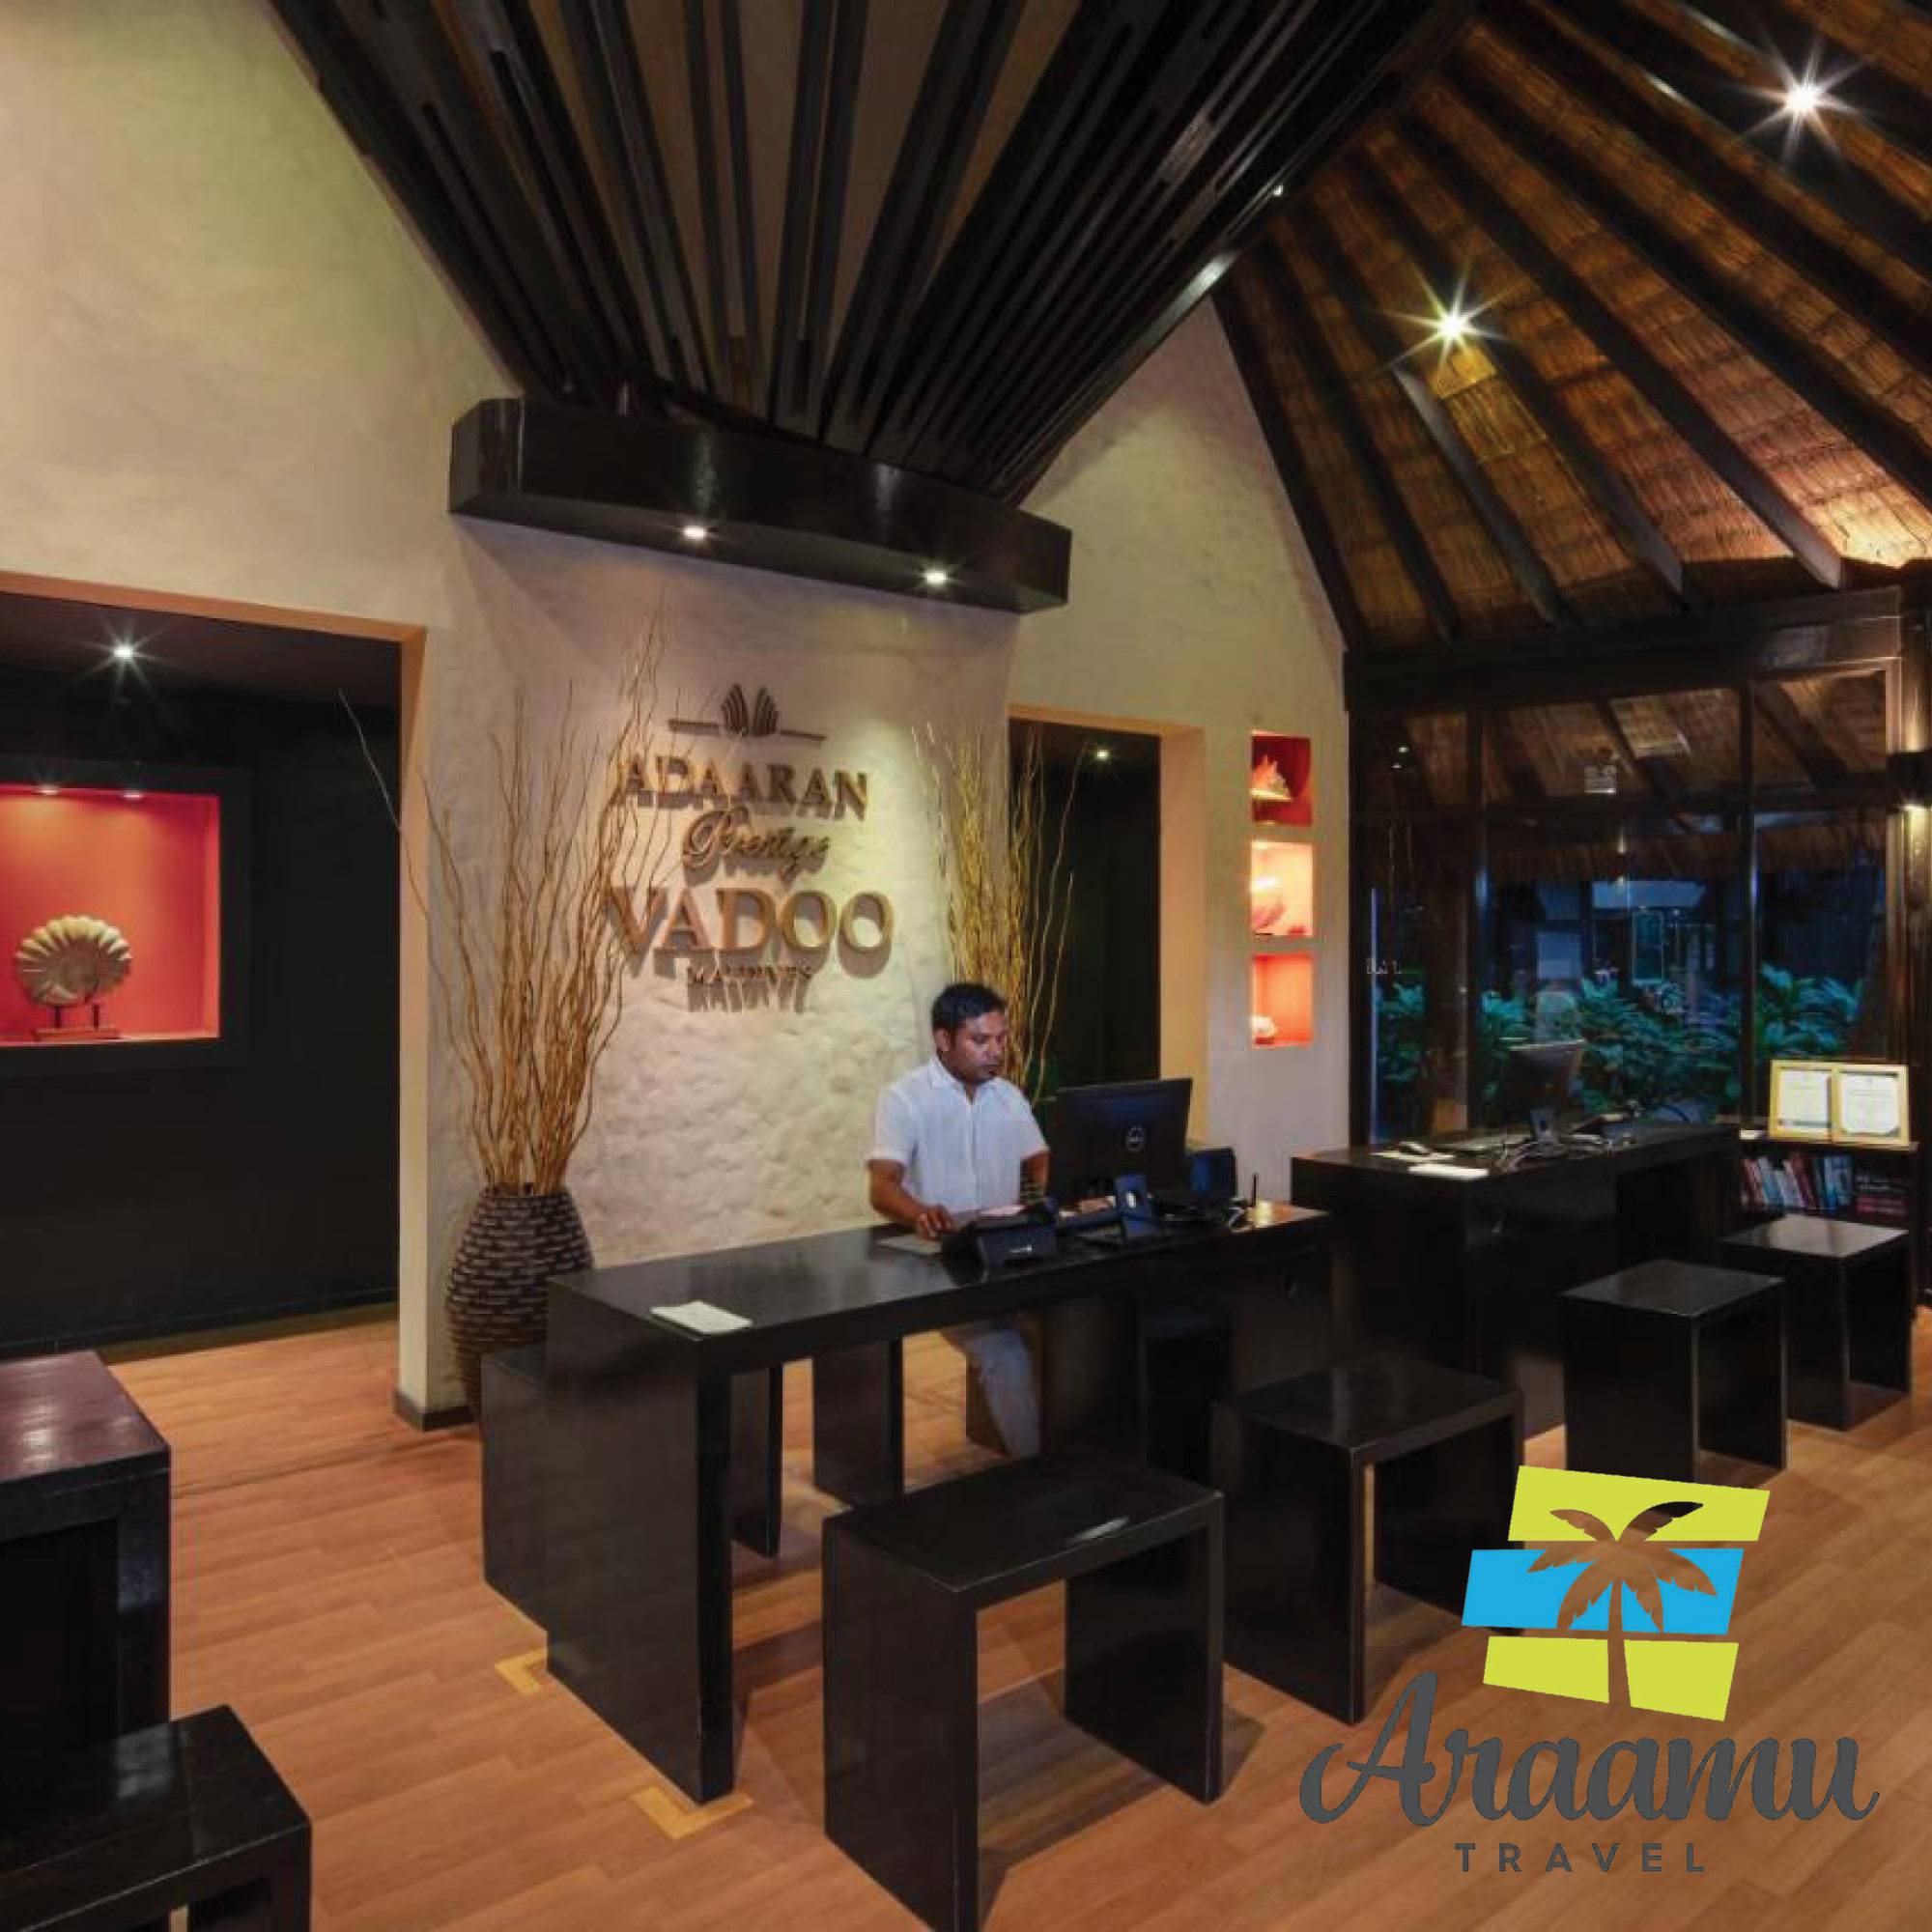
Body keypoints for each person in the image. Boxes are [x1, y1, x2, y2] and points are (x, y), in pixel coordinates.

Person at [867, 981, 1049, 1457]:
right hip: (943, 1267)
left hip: (1008, 1257)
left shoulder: (1009, 1097)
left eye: (1001, 1039)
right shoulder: (904, 1098)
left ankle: (1087, 1459)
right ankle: (1036, 1475)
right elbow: (882, 1187)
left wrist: (1080, 1190)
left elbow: (1043, 1165)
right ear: (944, 1040)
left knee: (1082, 1322)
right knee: (1005, 1352)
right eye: (980, 1040)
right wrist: (919, 1212)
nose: (996, 1052)